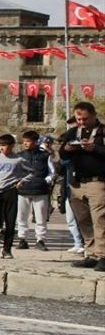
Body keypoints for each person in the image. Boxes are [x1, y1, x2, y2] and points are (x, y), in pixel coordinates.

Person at [60, 102, 105, 271]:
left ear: (93, 115)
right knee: (83, 220)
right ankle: (91, 253)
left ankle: (103, 255)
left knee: (100, 220)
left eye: (85, 119)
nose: (82, 122)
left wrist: (95, 148)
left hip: (97, 182)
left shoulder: (102, 131)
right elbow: (62, 153)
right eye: (79, 119)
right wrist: (68, 148)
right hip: (77, 182)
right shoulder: (73, 131)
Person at [0, 133, 36, 260]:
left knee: (10, 221)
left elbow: (32, 172)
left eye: (4, 145)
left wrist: (22, 181)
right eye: (0, 145)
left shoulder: (18, 159)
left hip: (11, 192)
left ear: (11, 146)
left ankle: (7, 249)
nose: (2, 148)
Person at [14, 130, 54, 251]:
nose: (25, 143)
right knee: (21, 216)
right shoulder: (19, 155)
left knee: (41, 216)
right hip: (23, 190)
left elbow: (52, 172)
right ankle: (22, 239)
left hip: (40, 190)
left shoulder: (45, 155)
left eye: (28, 141)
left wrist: (45, 181)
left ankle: (40, 240)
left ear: (35, 142)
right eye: (24, 141)